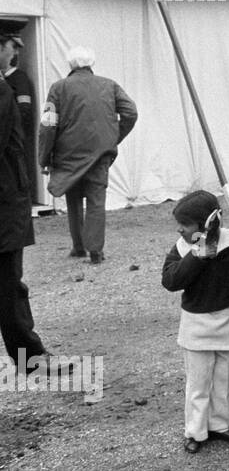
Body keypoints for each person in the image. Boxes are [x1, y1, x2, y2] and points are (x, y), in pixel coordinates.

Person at [162, 191, 229, 454]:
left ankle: (221, 424)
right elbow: (171, 281)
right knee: (197, 383)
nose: (179, 229)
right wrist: (197, 254)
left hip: (228, 321)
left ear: (206, 222)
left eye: (185, 224)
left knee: (224, 379)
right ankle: (194, 431)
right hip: (197, 326)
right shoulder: (184, 247)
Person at [38, 47, 138, 264]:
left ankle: (78, 247)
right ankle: (96, 252)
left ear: (70, 65)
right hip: (100, 154)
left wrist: (43, 157)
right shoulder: (109, 85)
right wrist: (113, 137)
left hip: (67, 155)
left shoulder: (58, 88)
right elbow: (131, 112)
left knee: (73, 200)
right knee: (96, 201)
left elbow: (48, 125)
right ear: (91, 63)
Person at [0, 74, 71, 378]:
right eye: (10, 46)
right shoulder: (3, 89)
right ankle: (30, 357)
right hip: (3, 203)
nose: (16, 52)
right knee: (7, 284)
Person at [0, 35, 36, 194]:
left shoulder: (19, 78)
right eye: (12, 49)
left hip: (14, 140)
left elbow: (25, 110)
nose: (14, 54)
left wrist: (16, 133)